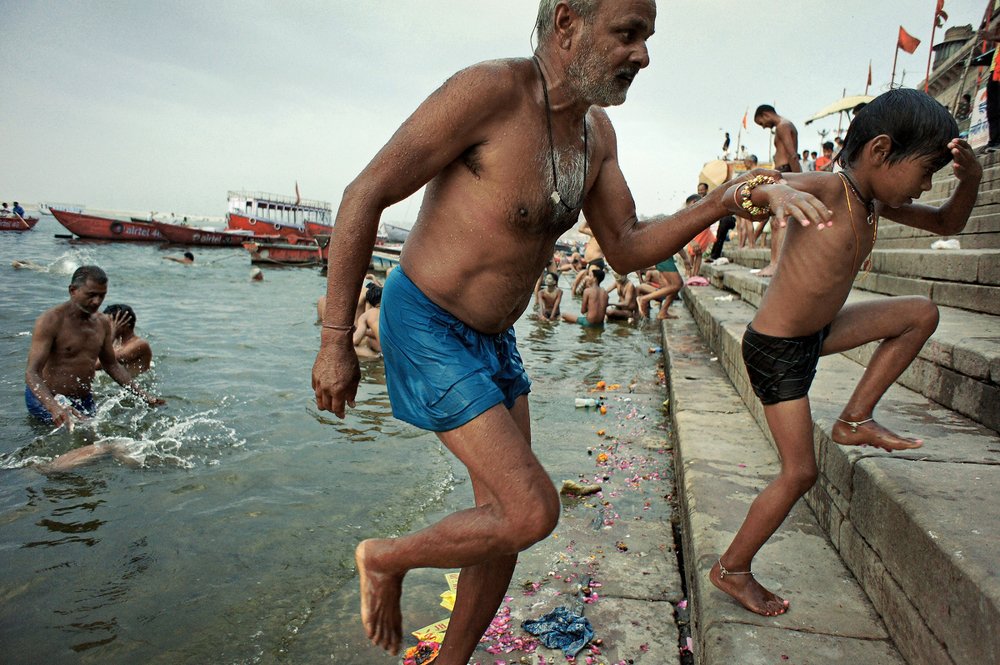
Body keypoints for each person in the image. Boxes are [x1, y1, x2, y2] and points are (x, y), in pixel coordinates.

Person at [311, 2, 828, 661]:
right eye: (628, 34)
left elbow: (629, 245)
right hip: (426, 322)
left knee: (504, 525)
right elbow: (365, 193)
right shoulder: (489, 93)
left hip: (496, 340)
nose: (643, 54)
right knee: (530, 509)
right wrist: (334, 339)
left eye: (647, 38)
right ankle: (384, 558)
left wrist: (722, 202)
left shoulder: (596, 135)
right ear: (566, 24)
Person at [711, 89, 980, 618]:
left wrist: (969, 181)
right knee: (800, 472)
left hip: (818, 332)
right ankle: (731, 569)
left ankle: (855, 417)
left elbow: (949, 224)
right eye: (925, 173)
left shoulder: (874, 202)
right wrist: (775, 194)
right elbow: (740, 189)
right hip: (777, 350)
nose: (926, 187)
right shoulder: (830, 189)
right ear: (880, 151)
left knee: (920, 314)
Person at [25, 266, 165, 465]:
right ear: (73, 290)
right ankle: (36, 470)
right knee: (74, 445)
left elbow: (111, 365)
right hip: (48, 397)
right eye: (91, 295)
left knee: (93, 443)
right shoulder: (50, 321)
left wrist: (144, 396)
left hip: (83, 398)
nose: (97, 302)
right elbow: (32, 373)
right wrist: (54, 407)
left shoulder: (101, 323)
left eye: (102, 296)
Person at [754, 104, 802, 278]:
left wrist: (799, 180)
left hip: (786, 172)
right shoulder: (783, 126)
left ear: (766, 114)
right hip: (785, 173)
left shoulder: (783, 126)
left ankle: (775, 265)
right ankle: (776, 263)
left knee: (779, 221)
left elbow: (792, 154)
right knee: (777, 221)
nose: (764, 127)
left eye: (762, 123)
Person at [97, 304, 153, 377]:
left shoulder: (139, 345)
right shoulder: (117, 343)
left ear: (123, 324)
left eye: (108, 323)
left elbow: (96, 364)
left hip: (136, 385)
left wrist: (112, 335)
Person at [353, 285, 383, 359]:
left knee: (348, 347)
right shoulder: (395, 309)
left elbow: (355, 340)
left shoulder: (367, 315)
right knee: (369, 340)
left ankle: (376, 356)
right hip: (407, 349)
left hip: (388, 352)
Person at [738, 155, 759, 249]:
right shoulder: (759, 170)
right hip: (755, 196)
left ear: (750, 162)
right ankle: (750, 244)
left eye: (745, 162)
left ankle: (751, 244)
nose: (744, 164)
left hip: (750, 197)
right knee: (747, 222)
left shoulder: (753, 172)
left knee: (748, 221)